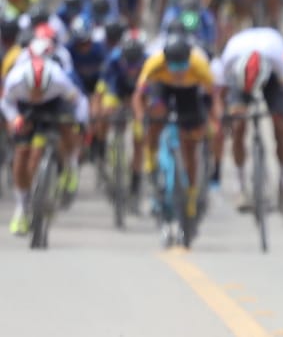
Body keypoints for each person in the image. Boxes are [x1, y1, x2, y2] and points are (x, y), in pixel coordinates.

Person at [133, 34, 220, 221]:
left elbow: (213, 97)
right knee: (156, 115)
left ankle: (191, 194)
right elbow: (139, 96)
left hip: (189, 93)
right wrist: (140, 120)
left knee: (191, 145)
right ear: (167, 62)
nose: (179, 74)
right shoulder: (154, 64)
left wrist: (214, 121)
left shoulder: (199, 65)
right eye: (175, 68)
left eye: (182, 68)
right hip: (162, 88)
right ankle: (151, 158)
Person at [219, 26, 283, 211]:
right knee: (238, 126)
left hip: (271, 78)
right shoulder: (229, 58)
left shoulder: (278, 59)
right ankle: (240, 186)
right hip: (241, 76)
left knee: (281, 127)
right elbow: (221, 93)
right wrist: (225, 115)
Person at [2, 54, 84, 235]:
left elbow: (79, 101)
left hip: (53, 105)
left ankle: (70, 165)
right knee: (21, 153)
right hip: (24, 108)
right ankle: (22, 208)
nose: (37, 95)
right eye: (34, 91)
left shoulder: (59, 80)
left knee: (65, 128)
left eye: (41, 91)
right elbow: (6, 104)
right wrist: (14, 119)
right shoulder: (15, 81)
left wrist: (80, 122)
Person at [96, 35, 149, 202]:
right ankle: (103, 148)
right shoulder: (112, 60)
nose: (132, 69)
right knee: (106, 111)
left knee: (139, 136)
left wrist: (142, 114)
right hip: (117, 89)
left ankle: (135, 181)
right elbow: (102, 87)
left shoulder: (148, 62)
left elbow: (150, 93)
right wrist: (99, 111)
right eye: (129, 65)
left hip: (139, 93)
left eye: (135, 65)